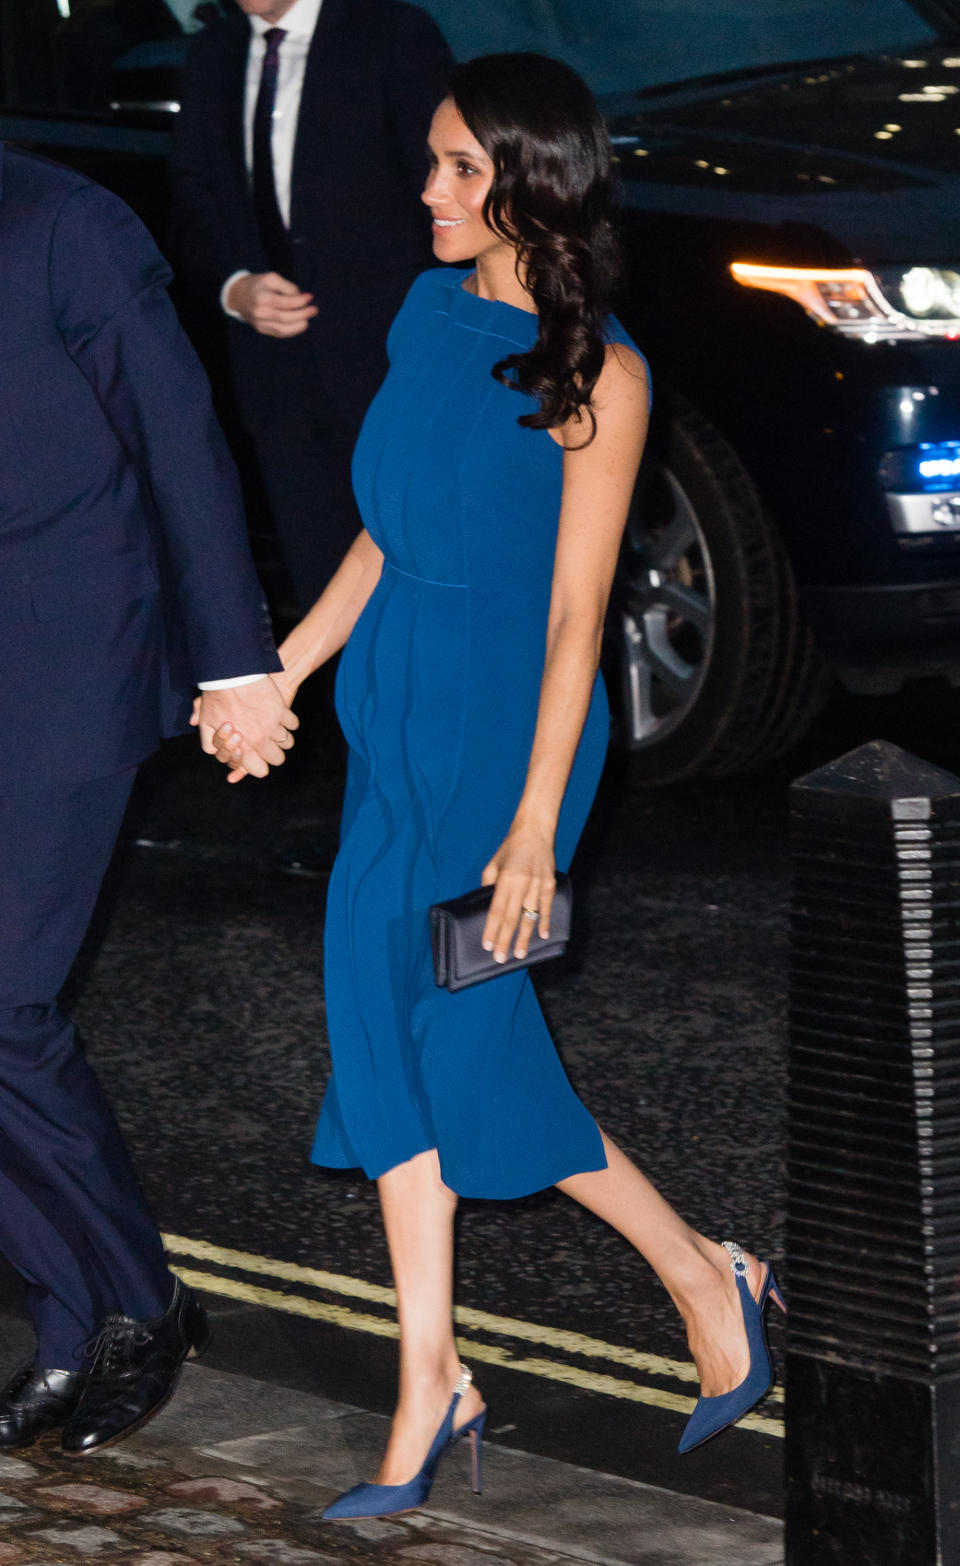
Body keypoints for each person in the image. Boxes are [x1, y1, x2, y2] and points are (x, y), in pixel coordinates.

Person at [212, 54, 785, 1518]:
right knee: (375, 1020)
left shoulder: (605, 372)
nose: (428, 191)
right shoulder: (420, 314)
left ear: (536, 181)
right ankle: (435, 1371)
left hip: (507, 740)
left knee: (466, 1050)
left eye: (460, 167)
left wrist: (536, 825)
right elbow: (380, 533)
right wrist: (282, 668)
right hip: (395, 707)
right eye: (431, 160)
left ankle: (694, 1270)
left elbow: (578, 622)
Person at [0, 142, 297, 1455]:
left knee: (4, 1001)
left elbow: (182, 442)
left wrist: (236, 661)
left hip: (69, 662)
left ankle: (137, 1300)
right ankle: (79, 1317)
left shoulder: (64, 221)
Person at [168, 0, 453, 615]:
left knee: (422, 573)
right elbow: (191, 190)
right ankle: (353, 710)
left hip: (393, 360)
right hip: (275, 376)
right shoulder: (213, 51)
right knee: (322, 582)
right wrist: (234, 286)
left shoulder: (392, 33)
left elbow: (444, 188)